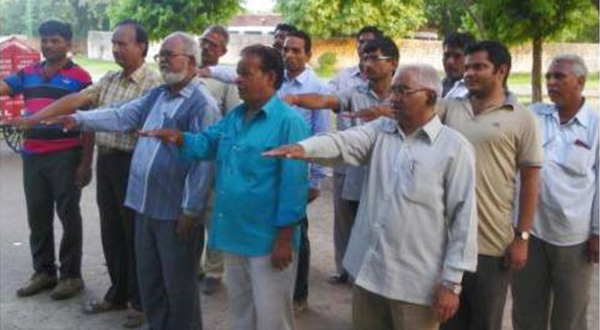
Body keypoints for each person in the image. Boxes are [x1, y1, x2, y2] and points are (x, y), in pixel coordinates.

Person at [264, 64, 478, 330]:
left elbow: (464, 220)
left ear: (430, 97)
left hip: (417, 287)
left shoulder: (454, 148)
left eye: (403, 91)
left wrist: (451, 283)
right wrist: (303, 148)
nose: (393, 98)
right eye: (394, 90)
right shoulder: (381, 130)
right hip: (370, 277)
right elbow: (343, 142)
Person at [47, 32, 219, 330]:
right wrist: (79, 120)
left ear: (191, 61)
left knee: (179, 290)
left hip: (175, 213)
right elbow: (122, 116)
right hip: (144, 205)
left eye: (170, 54)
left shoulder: (201, 104)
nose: (163, 60)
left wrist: (191, 211)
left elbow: (205, 163)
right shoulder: (159, 94)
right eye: (161, 55)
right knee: (151, 284)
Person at [139, 44, 309, 330]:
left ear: (270, 77)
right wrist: (180, 138)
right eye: (237, 73)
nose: (237, 80)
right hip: (235, 232)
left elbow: (294, 186)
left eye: (246, 73)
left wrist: (283, 239)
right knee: (242, 312)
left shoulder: (289, 122)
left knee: (272, 318)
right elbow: (208, 142)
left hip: (268, 239)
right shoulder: (237, 115)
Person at [10, 20, 161, 327]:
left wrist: (80, 150)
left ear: (141, 47)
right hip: (107, 162)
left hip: (135, 162)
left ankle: (139, 300)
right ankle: (117, 293)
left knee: (135, 235)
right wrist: (37, 118)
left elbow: (121, 120)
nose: (116, 49)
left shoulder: (154, 85)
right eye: (114, 44)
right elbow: (80, 101)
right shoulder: (109, 79)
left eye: (123, 43)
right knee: (111, 233)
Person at [438, 41, 542, 330]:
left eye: (478, 66)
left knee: (484, 322)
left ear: (501, 70)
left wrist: (522, 236)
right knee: (445, 320)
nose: (468, 72)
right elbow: (410, 108)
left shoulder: (522, 118)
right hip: (446, 240)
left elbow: (531, 179)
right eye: (467, 66)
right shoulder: (449, 109)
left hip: (492, 244)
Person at [284, 36, 398, 286]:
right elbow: (325, 101)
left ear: (393, 63)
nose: (367, 64)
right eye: (365, 58)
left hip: (393, 179)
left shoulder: (403, 95)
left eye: (374, 58)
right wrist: (295, 99)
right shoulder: (355, 92)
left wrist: (386, 113)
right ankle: (352, 279)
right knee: (355, 229)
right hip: (358, 176)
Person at [0, 19, 93, 301]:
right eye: (45, 40)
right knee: (38, 216)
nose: (49, 45)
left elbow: (88, 122)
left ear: (69, 44)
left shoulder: (81, 77)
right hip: (33, 157)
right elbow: (4, 86)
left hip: (66, 156)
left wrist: (86, 163)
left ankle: (71, 275)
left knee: (68, 216)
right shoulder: (27, 73)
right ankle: (44, 272)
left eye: (55, 40)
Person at [511, 54, 599, 330]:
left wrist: (598, 231)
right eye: (548, 77)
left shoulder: (595, 126)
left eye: (559, 77)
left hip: (573, 238)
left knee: (570, 315)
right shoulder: (534, 115)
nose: (551, 82)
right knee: (526, 312)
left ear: (581, 82)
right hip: (530, 233)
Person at [278, 29, 330, 314]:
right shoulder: (277, 82)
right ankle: (279, 289)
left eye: (297, 50)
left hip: (299, 173)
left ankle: (299, 295)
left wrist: (316, 178)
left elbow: (322, 135)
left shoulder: (317, 88)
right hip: (273, 170)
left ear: (308, 55)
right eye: (286, 49)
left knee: (298, 232)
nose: (290, 55)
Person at [327, 26, 382, 284]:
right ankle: (345, 271)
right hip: (347, 164)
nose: (365, 49)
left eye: (372, 47)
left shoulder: (397, 85)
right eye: (362, 44)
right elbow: (327, 101)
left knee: (372, 221)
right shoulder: (345, 80)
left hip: (380, 167)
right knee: (344, 220)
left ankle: (369, 276)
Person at [197, 25, 240, 295]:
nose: (206, 47)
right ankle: (193, 266)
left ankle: (214, 270)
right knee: (190, 213)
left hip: (214, 158)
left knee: (213, 216)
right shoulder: (186, 73)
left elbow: (234, 120)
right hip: (187, 156)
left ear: (223, 51)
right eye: (204, 41)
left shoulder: (226, 80)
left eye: (213, 44)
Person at [441, 32, 475, 99]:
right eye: (446, 55)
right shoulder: (437, 88)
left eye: (457, 56)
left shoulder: (476, 93)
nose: (450, 62)